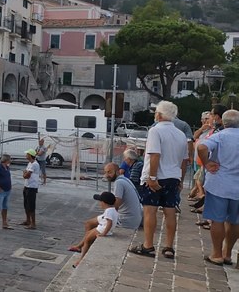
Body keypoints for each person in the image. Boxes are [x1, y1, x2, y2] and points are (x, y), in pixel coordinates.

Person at [130, 100, 188, 259]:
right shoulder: (181, 134)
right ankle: (169, 247)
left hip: (156, 177)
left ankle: (148, 245)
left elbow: (155, 154)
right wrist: (181, 180)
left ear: (160, 114)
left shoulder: (155, 131)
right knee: (170, 212)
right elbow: (184, 161)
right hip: (173, 177)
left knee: (150, 211)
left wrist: (152, 177)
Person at [69, 163, 142, 253]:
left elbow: (116, 204)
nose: (107, 175)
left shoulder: (119, 182)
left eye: (110, 172)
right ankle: (82, 245)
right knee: (89, 223)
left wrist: (107, 215)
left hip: (126, 220)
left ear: (118, 171)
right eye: (106, 172)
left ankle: (85, 246)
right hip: (133, 217)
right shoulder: (125, 179)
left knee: (91, 224)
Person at [197, 109, 239, 265]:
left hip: (220, 184)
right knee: (235, 221)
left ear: (224, 122)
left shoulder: (220, 136)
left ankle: (216, 253)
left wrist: (207, 163)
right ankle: (228, 253)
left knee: (217, 220)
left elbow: (201, 147)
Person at [71, 192, 119, 268]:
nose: (100, 203)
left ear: (104, 203)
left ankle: (81, 259)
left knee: (87, 240)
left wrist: (104, 233)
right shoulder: (113, 210)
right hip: (102, 228)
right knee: (88, 234)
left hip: (101, 229)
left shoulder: (108, 211)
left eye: (100, 202)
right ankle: (80, 251)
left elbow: (109, 223)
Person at [21, 149, 41, 229]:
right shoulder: (30, 163)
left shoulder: (34, 164)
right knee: (26, 204)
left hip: (32, 186)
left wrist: (24, 173)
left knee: (31, 205)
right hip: (27, 185)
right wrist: (25, 173)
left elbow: (26, 175)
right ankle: (28, 220)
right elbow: (26, 172)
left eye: (27, 154)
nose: (26, 155)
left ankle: (33, 223)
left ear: (30, 155)